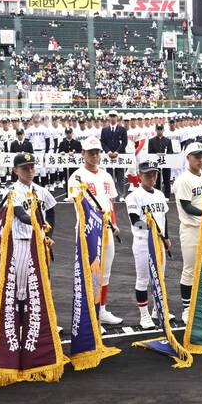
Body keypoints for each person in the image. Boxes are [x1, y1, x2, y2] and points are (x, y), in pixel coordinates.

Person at [67, 138, 123, 326]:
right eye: (91, 152)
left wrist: (113, 223)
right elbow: (79, 204)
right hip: (89, 230)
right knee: (91, 274)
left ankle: (102, 310)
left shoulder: (106, 176)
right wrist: (96, 218)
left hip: (106, 229)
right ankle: (91, 314)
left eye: (98, 152)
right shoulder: (76, 177)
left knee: (105, 272)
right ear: (83, 153)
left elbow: (110, 202)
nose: (95, 155)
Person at [172, 141, 202, 322]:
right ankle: (187, 308)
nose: (200, 159)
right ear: (188, 158)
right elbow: (186, 206)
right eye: (196, 156)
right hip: (190, 229)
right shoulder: (183, 180)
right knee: (189, 269)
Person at [125, 161, 171, 329]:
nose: (151, 178)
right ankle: (144, 315)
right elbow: (135, 221)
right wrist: (151, 230)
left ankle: (157, 310)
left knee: (159, 278)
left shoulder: (159, 194)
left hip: (158, 242)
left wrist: (165, 236)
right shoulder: (133, 196)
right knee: (143, 279)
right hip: (143, 242)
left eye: (154, 174)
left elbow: (163, 218)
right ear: (140, 175)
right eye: (147, 175)